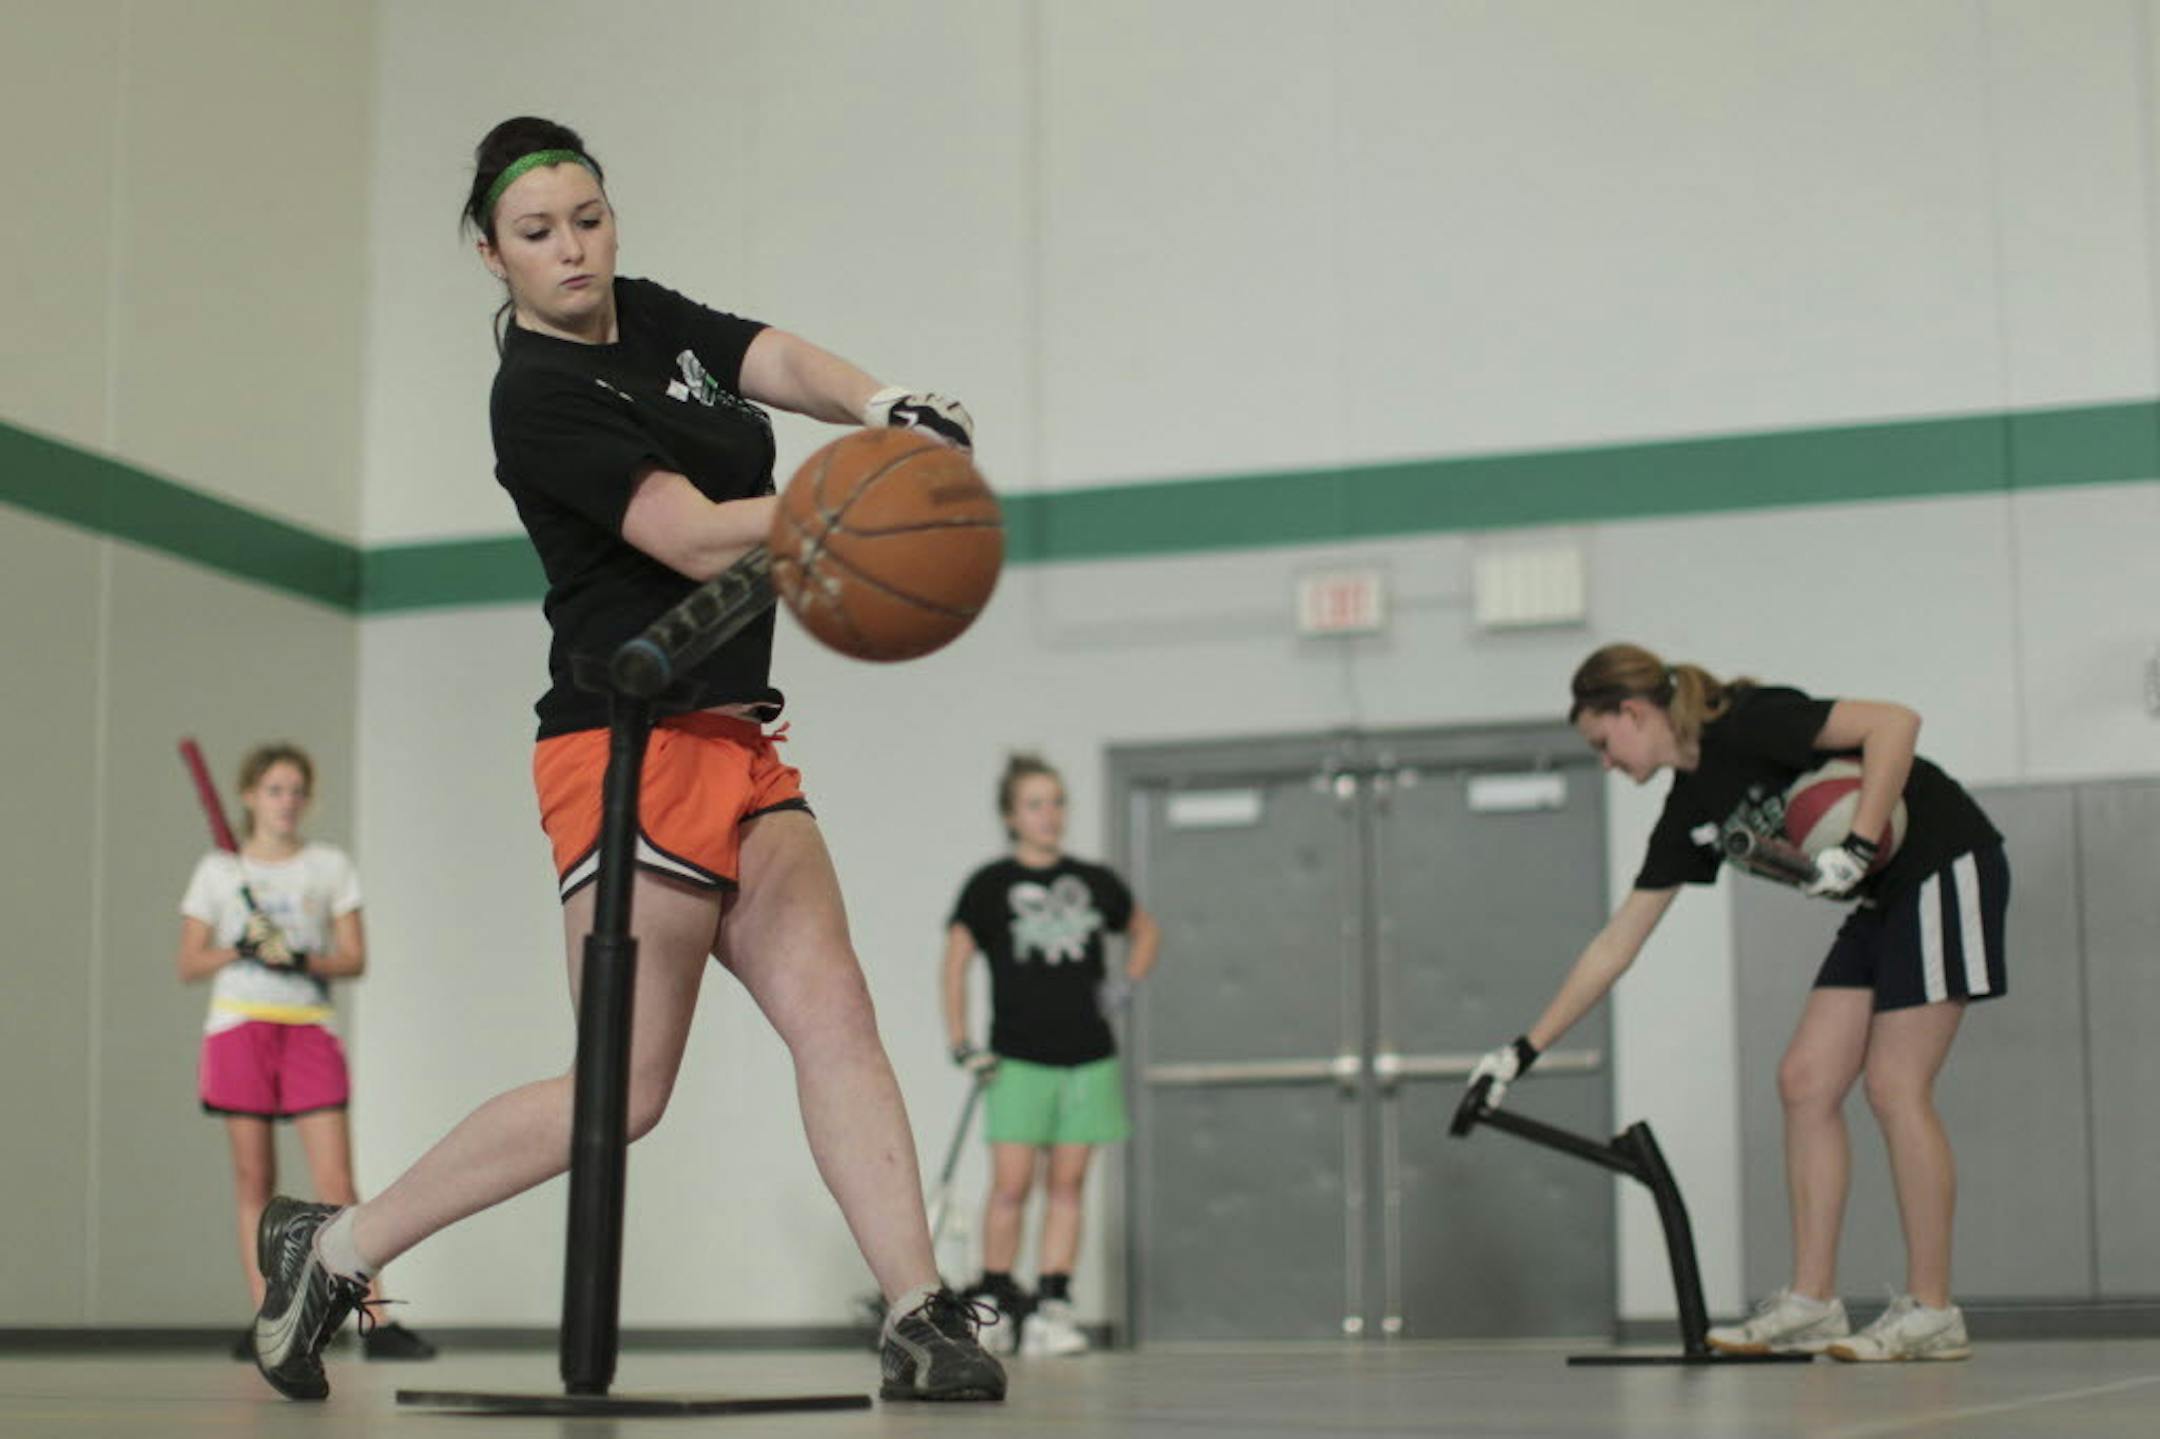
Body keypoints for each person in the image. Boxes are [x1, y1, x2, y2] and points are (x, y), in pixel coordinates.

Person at [246, 116, 1002, 1404]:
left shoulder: (645, 314)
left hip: (743, 729)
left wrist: (881, 404)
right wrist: (862, 490)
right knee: (626, 1091)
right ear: (492, 253)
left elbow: (772, 356)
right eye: (539, 235)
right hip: (624, 741)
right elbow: (698, 536)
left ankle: (919, 1309)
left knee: (838, 1019)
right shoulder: (534, 397)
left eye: (589, 219)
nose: (574, 250)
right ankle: (337, 1246)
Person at [1467, 643, 2006, 1363]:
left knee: (1894, 1085)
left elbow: (1895, 723)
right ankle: (1813, 1303)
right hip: (1884, 898)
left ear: (1633, 712)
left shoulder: (1751, 723)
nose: (1605, 761)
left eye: (1603, 742)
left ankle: (1934, 1309)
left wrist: (1859, 837)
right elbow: (1617, 942)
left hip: (1944, 862)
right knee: (1805, 1080)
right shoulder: (1691, 806)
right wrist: (1522, 1048)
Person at [177, 743, 434, 1363]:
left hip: (308, 1028)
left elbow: (354, 958)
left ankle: (373, 1316)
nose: (286, 802)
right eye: (274, 790)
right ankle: (268, 1317)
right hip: (240, 1028)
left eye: (296, 790)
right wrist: (240, 947)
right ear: (248, 796)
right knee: (254, 1181)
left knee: (337, 1181)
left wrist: (297, 956)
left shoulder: (328, 866)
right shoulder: (218, 871)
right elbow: (189, 962)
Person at [944, 754, 1160, 1355]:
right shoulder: (989, 887)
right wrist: (962, 1042)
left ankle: (1054, 1304)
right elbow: (955, 963)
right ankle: (995, 1298)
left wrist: (1127, 982)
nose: (1050, 815)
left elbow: (1146, 929)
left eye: (1058, 801)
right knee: (1011, 1184)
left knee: (1069, 1183)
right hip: (1017, 1056)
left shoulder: (1094, 881)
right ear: (1011, 815)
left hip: (1088, 1056)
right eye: (1036, 804)